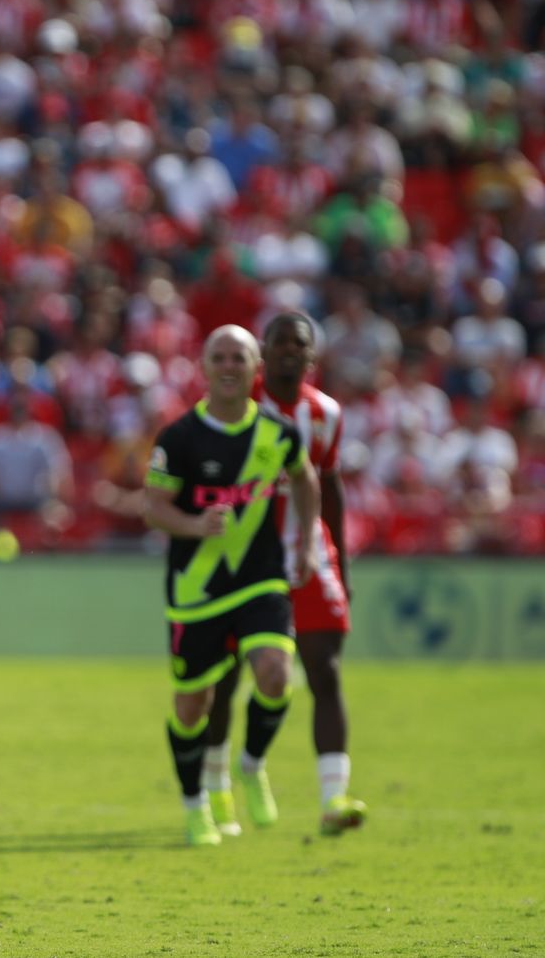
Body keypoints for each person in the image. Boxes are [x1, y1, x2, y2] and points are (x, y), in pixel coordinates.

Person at [143, 325, 321, 847]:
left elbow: (306, 479)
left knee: (275, 673)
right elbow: (152, 506)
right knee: (192, 706)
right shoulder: (178, 438)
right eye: (218, 356)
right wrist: (196, 526)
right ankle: (196, 803)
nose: (228, 365)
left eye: (238, 357)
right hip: (196, 588)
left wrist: (307, 544)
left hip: (259, 577)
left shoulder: (279, 433)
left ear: (256, 366)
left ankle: (250, 764)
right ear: (203, 365)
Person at [200, 313, 369, 837]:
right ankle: (219, 784)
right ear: (263, 354)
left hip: (308, 555)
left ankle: (333, 797)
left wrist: (340, 555)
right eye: (280, 343)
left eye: (300, 344)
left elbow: (331, 487)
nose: (290, 352)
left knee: (325, 670)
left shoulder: (326, 414)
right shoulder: (235, 408)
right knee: (224, 678)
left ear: (312, 357)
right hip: (241, 560)